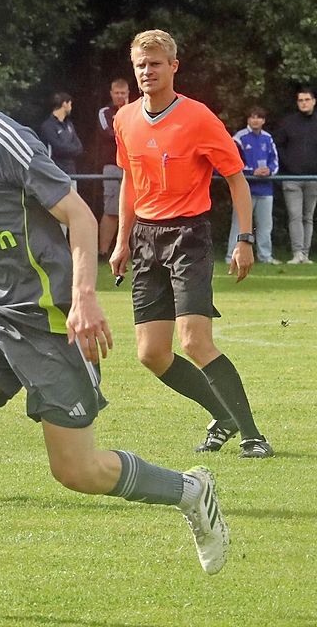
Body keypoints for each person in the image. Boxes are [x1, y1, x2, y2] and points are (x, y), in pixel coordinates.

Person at [0, 31, 230, 618]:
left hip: (49, 321)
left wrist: (85, 298)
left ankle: (191, 490)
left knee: (79, 470)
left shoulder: (6, 140)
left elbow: (79, 215)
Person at [110, 29, 273, 458]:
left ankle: (253, 435)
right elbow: (129, 181)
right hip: (144, 238)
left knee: (194, 341)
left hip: (188, 236)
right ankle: (223, 415)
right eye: (141, 65)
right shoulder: (124, 119)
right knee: (150, 353)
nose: (148, 71)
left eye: (156, 63)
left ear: (173, 67)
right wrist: (121, 240)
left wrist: (244, 239)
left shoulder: (198, 117)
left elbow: (237, 180)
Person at [227, 107, 281, 264]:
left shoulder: (268, 138)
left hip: (265, 189)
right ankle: (231, 255)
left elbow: (275, 161)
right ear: (248, 120)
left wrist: (269, 170)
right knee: (239, 224)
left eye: (259, 117)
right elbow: (232, 162)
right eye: (252, 117)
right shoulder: (239, 138)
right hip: (245, 189)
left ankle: (265, 257)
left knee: (265, 226)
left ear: (264, 120)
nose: (255, 120)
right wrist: (251, 171)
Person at [273, 87, 317, 264]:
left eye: (307, 100)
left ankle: (305, 255)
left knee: (308, 217)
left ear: (314, 101)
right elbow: (279, 146)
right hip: (291, 178)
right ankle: (297, 253)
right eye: (301, 100)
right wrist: (289, 166)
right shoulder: (288, 122)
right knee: (295, 215)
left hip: (313, 178)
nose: (304, 103)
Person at [96, 78, 131, 258]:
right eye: (116, 93)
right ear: (111, 94)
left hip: (132, 166)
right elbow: (109, 133)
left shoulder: (136, 110)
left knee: (135, 209)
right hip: (112, 165)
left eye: (123, 93)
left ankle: (133, 250)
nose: (119, 96)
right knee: (111, 210)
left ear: (128, 94)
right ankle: (103, 252)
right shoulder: (105, 112)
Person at [39, 92, 83, 186]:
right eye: (70, 104)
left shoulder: (69, 125)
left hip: (71, 173)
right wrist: (71, 148)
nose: (71, 107)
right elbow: (58, 148)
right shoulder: (48, 126)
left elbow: (79, 147)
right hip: (55, 173)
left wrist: (67, 148)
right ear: (64, 104)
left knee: (73, 200)